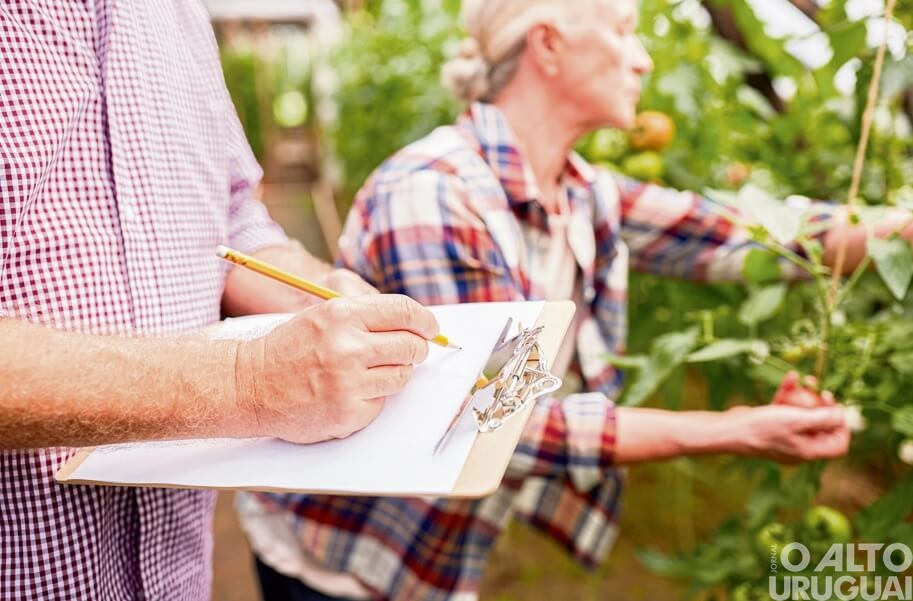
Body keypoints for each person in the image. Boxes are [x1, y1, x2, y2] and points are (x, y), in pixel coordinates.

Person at [235, 0, 913, 599]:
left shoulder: (583, 191)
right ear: (548, 45)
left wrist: (895, 228)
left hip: (439, 542)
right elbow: (497, 424)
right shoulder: (433, 192)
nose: (643, 60)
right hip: (348, 546)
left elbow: (743, 237)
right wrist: (739, 428)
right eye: (623, 30)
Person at [0, 2, 439, 599]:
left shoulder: (179, 16)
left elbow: (231, 218)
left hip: (181, 573)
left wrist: (319, 289)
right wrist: (248, 381)